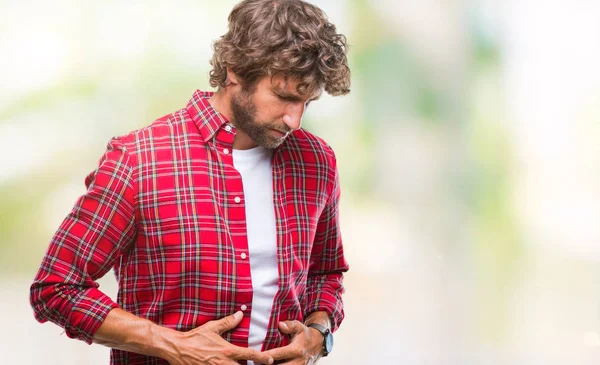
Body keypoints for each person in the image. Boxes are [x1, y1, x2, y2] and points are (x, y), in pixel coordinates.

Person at [29, 0, 350, 364]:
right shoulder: (139, 159)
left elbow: (326, 272)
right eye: (283, 96)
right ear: (236, 72)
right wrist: (171, 343)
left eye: (306, 101)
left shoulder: (317, 161)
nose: (294, 119)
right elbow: (57, 288)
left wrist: (318, 335)